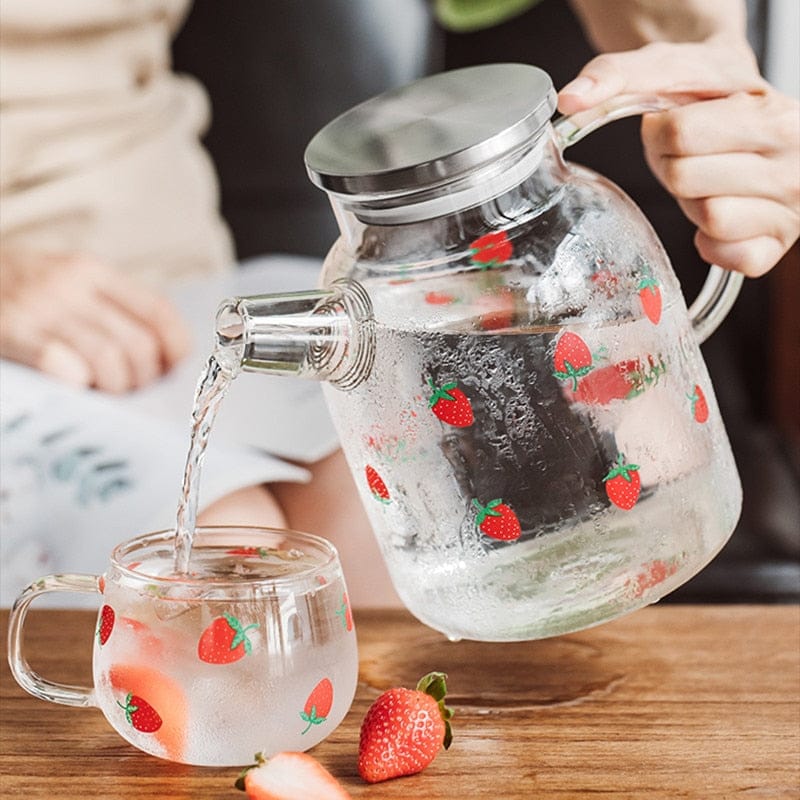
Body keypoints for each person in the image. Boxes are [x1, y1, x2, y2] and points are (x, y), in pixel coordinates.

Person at [2, 0, 797, 604]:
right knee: (224, 554)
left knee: (427, 493)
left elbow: (671, 33)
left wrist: (704, 64)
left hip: (177, 294)